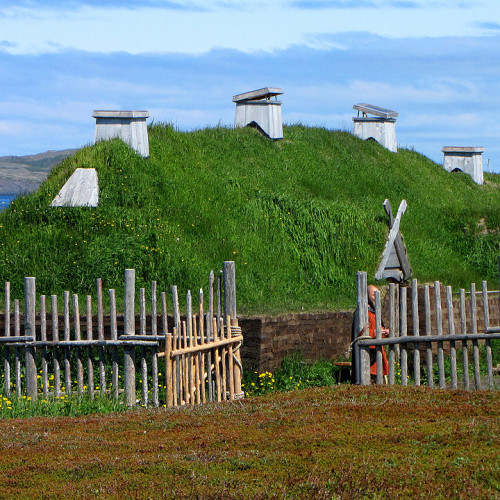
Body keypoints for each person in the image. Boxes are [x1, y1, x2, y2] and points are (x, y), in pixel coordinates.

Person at [351, 285, 389, 384]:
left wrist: (384, 332)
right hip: (367, 354)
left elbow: (379, 330)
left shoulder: (375, 312)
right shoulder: (361, 312)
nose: (376, 298)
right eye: (373, 295)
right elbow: (360, 334)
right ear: (367, 296)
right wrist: (374, 333)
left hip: (377, 354)